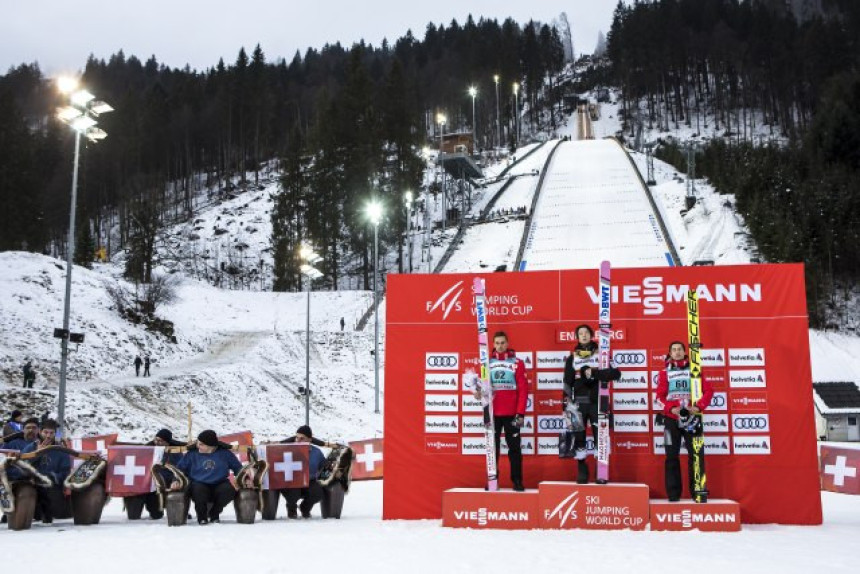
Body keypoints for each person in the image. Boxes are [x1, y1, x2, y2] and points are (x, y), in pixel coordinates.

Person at [656, 341, 714, 502]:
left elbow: (709, 391)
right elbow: (659, 397)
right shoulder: (664, 372)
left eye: (679, 349)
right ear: (670, 353)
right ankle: (673, 495)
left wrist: (698, 406)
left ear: (684, 352)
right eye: (673, 350)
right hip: (671, 419)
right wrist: (672, 409)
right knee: (671, 456)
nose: (677, 352)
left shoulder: (695, 369)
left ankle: (697, 491)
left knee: (696, 455)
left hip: (692, 418)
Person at [562, 324, 621, 484]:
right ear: (577, 337)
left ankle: (601, 471)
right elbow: (567, 382)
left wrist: (594, 373)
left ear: (591, 335)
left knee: (600, 436)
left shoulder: (602, 354)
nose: (583, 335)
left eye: (586, 333)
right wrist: (565, 404)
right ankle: (582, 470)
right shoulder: (572, 358)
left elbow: (616, 373)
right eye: (580, 333)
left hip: (598, 402)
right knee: (579, 436)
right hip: (579, 403)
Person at [474, 331, 528, 491]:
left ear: (507, 342)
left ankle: (517, 480)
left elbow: (523, 390)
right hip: (492, 414)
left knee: (515, 449)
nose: (500, 346)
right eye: (497, 343)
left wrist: (520, 413)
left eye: (503, 342)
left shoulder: (517, 363)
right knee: (492, 448)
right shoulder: (486, 363)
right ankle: (492, 479)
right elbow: (481, 386)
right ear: (493, 344)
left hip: (512, 414)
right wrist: (477, 392)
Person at [172, 430, 243, 525]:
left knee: (229, 490)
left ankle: (214, 513)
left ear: (211, 446)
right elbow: (179, 470)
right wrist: (176, 480)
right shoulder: (192, 454)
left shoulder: (225, 454)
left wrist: (245, 479)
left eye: (201, 444)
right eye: (197, 443)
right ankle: (202, 517)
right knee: (198, 490)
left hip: (220, 482)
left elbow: (238, 468)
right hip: (199, 482)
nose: (197, 446)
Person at [21, 419, 71, 523]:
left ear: (55, 433)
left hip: (53, 488)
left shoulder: (61, 450)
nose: (48, 436)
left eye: (51, 433)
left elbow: (65, 472)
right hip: (33, 486)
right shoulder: (30, 448)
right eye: (46, 432)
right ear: (40, 431)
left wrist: (52, 476)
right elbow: (22, 466)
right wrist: (36, 454)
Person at [130, 428, 185, 520]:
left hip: (164, 481)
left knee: (157, 513)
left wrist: (174, 480)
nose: (157, 442)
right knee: (149, 514)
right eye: (156, 439)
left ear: (167, 442)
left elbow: (179, 468)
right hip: (148, 481)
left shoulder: (175, 452)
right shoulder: (148, 449)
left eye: (161, 441)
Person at [278, 425, 327, 518]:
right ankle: (291, 509)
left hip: (309, 480)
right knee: (293, 492)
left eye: (302, 438)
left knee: (318, 492)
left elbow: (323, 466)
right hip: (290, 481)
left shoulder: (316, 452)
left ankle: (305, 508)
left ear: (309, 439)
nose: (298, 440)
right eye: (297, 437)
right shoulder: (286, 450)